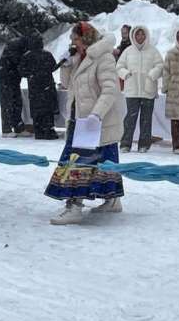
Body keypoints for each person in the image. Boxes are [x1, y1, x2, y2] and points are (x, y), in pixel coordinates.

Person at [45, 22, 126, 224]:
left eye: (76, 40)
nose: (73, 44)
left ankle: (75, 206)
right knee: (104, 161)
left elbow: (110, 90)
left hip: (94, 121)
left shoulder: (103, 57)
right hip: (79, 119)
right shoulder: (80, 58)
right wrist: (66, 65)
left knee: (78, 163)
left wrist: (96, 115)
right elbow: (67, 85)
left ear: (86, 39)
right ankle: (112, 199)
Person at [117, 25, 164, 153]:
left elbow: (160, 66)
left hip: (148, 90)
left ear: (146, 35)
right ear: (133, 36)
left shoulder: (153, 51)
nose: (140, 37)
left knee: (146, 118)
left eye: (142, 34)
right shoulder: (128, 51)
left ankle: (144, 144)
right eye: (137, 34)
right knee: (130, 118)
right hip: (132, 90)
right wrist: (126, 74)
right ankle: (125, 144)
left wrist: (152, 75)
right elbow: (119, 66)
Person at [19, 33, 61, 140]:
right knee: (47, 109)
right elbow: (53, 67)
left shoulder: (26, 56)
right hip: (47, 85)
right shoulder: (47, 55)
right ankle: (48, 129)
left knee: (36, 109)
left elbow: (22, 71)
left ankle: (38, 130)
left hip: (34, 87)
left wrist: (32, 74)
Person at [0, 36, 27, 138]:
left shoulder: (19, 45)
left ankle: (18, 126)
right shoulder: (16, 47)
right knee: (7, 102)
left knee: (17, 101)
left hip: (13, 76)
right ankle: (6, 128)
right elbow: (18, 62)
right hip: (5, 76)